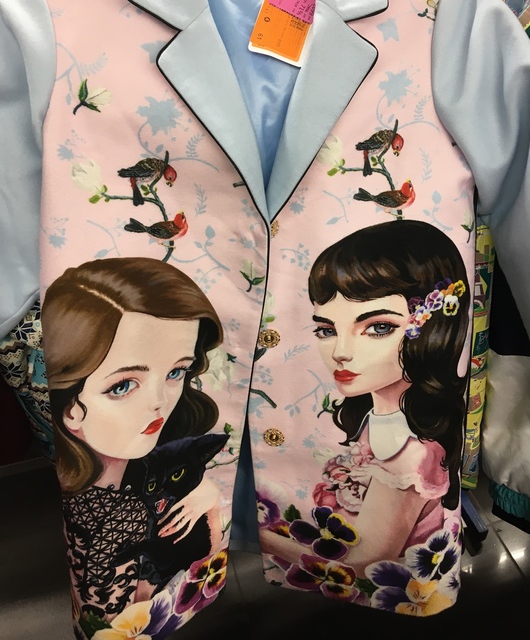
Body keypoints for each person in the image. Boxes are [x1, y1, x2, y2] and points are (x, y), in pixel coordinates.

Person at [261, 219, 469, 575]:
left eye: (378, 327)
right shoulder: (381, 419)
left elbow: (361, 565)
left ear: (432, 327)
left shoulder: (411, 455)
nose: (341, 352)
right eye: (326, 329)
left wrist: (259, 537)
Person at [43, 257, 225, 616]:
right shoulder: (112, 514)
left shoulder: (143, 477)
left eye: (176, 372)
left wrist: (210, 499)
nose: (159, 401)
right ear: (71, 406)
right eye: (123, 385)